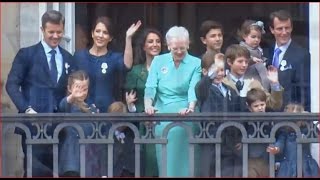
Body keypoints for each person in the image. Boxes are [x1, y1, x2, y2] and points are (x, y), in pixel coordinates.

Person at [5, 10, 74, 177]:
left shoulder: (68, 57)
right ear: (42, 30)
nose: (55, 36)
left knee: (59, 172)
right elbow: (11, 85)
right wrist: (26, 109)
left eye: (59, 32)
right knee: (34, 172)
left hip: (60, 126)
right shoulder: (26, 54)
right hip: (33, 126)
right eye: (51, 32)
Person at [144, 26, 202, 177]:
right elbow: (150, 87)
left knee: (187, 163)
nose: (179, 51)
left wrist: (190, 107)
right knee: (166, 163)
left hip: (186, 112)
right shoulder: (158, 61)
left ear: (188, 44)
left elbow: (193, 88)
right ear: (168, 45)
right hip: (163, 112)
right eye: (175, 48)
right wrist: (148, 106)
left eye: (182, 48)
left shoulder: (196, 63)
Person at [73, 16, 141, 113]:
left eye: (105, 33)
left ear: (110, 38)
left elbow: (127, 65)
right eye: (98, 31)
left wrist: (128, 38)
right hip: (83, 112)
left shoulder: (114, 57)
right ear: (92, 33)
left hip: (108, 114)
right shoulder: (79, 56)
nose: (100, 35)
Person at [196, 51, 242, 177]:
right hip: (211, 140)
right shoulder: (204, 88)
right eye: (215, 70)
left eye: (221, 70)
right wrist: (210, 75)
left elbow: (238, 114)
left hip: (230, 142)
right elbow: (200, 87)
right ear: (205, 72)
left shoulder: (230, 90)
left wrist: (239, 138)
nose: (219, 73)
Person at [124, 27, 163, 177]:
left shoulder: (169, 68)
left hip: (166, 122)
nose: (155, 44)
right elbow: (130, 103)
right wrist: (130, 105)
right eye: (150, 41)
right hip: (143, 127)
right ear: (144, 46)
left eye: (158, 41)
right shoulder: (136, 71)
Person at [58, 70, 101, 177]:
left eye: (85, 89)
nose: (81, 92)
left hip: (89, 157)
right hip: (72, 159)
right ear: (69, 88)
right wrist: (73, 96)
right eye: (78, 88)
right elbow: (62, 105)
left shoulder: (92, 108)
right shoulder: (69, 105)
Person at [265, 9, 311, 111]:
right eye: (280, 28)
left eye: (287, 28)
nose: (284, 32)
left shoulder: (302, 55)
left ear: (292, 28)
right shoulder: (266, 52)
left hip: (289, 119)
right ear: (272, 30)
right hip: (266, 119)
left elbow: (304, 91)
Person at [222, 44, 283, 112]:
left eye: (246, 62)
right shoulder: (223, 83)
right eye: (240, 61)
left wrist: (275, 84)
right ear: (229, 62)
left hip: (252, 122)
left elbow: (274, 105)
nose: (244, 65)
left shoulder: (254, 83)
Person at [267, 103, 319, 177]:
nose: (295, 123)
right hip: (289, 168)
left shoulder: (306, 131)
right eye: (293, 120)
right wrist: (276, 148)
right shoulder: (285, 133)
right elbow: (280, 143)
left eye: (298, 119)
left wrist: (309, 120)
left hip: (305, 166)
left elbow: (316, 134)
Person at [245, 88, 274, 177]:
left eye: (262, 104)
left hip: (268, 159)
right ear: (249, 107)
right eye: (256, 106)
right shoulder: (246, 121)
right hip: (252, 159)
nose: (260, 108)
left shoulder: (271, 118)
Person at [237, 19, 270, 91]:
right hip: (248, 87)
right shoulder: (241, 50)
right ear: (244, 36)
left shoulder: (259, 50)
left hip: (261, 88)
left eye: (259, 37)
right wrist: (251, 60)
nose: (256, 40)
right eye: (253, 37)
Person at [107, 101, 135, 177]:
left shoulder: (130, 130)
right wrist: (104, 174)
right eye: (116, 120)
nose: (120, 123)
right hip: (114, 171)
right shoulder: (107, 134)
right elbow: (104, 156)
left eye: (123, 119)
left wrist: (130, 106)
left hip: (131, 171)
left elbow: (135, 120)